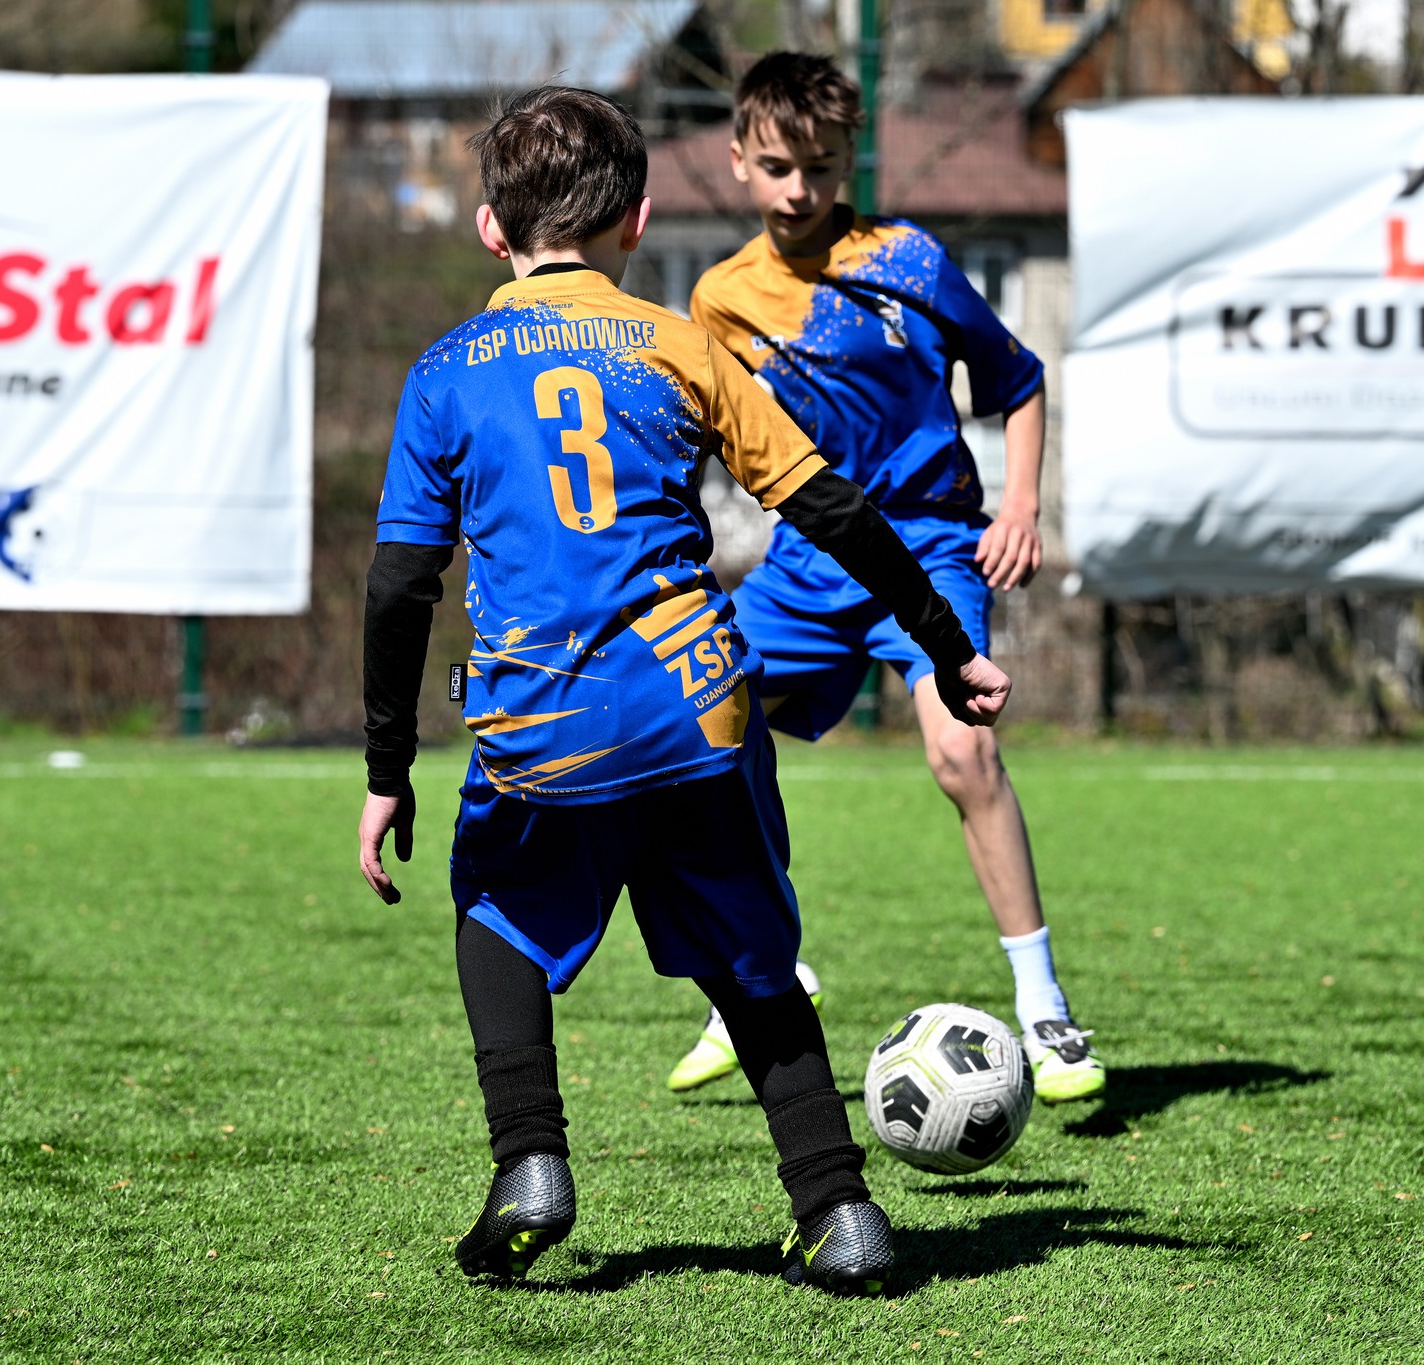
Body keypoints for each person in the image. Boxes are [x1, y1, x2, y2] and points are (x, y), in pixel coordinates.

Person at [354, 86, 1012, 1295]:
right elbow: (827, 503)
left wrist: (386, 767)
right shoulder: (677, 343)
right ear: (638, 222)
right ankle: (837, 1207)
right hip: (697, 702)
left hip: (540, 716)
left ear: (492, 231)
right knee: (751, 957)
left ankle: (530, 1164)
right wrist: (941, 640)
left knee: (493, 914)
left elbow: (400, 586)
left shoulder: (445, 373)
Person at [670, 52, 1105, 1105]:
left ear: (847, 159)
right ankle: (767, 972)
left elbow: (1018, 380)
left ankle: (1045, 1010)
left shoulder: (907, 258)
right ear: (738, 160)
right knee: (702, 724)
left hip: (927, 545)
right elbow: (712, 437)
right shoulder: (720, 298)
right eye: (778, 167)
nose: (798, 189)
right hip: (807, 558)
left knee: (963, 753)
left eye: (820, 167)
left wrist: (1019, 505)